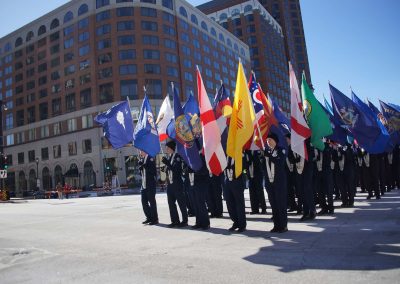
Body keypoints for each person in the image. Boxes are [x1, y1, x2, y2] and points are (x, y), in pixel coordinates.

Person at [264, 133, 288, 233]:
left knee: (280, 204)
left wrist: (270, 157)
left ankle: (283, 225)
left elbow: (280, 162)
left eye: (270, 140)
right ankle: (276, 225)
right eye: (267, 140)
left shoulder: (281, 150)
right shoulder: (267, 152)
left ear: (275, 141)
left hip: (279, 182)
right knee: (273, 204)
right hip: (270, 182)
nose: (268, 142)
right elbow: (264, 168)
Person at [162, 141, 188, 228]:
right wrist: (164, 168)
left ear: (171, 148)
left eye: (167, 148)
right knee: (171, 203)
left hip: (177, 184)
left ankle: (184, 221)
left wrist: (168, 164)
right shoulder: (169, 157)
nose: (166, 149)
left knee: (181, 203)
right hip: (170, 184)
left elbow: (177, 171)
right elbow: (169, 169)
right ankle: (175, 221)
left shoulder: (177, 157)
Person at [224, 157, 247, 232]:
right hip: (228, 181)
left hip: (237, 181)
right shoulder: (226, 155)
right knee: (229, 203)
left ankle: (242, 225)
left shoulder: (240, 154)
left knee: (239, 204)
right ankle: (235, 222)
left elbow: (244, 168)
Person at [138, 150, 159, 225]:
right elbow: (142, 173)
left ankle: (155, 219)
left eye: (141, 151)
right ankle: (149, 217)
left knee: (152, 202)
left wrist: (144, 166)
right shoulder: (142, 159)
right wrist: (140, 168)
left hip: (150, 184)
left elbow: (153, 171)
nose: (140, 152)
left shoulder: (151, 158)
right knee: (144, 202)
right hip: (143, 184)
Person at [245, 150, 267, 215]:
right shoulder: (247, 152)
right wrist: (246, 173)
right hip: (250, 174)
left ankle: (263, 208)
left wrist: (253, 158)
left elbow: (260, 162)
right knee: (252, 192)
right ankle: (254, 209)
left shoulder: (258, 151)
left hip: (258, 174)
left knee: (259, 191)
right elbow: (244, 165)